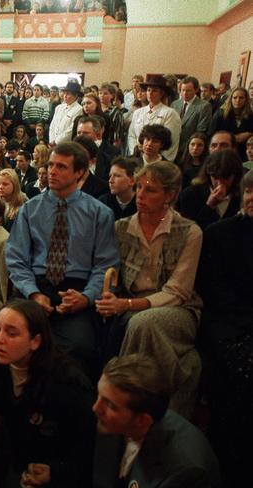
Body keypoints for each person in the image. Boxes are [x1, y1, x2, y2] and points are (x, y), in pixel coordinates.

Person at [97, 161, 203, 417]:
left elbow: (178, 291)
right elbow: (110, 275)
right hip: (130, 302)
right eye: (139, 187)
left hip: (178, 308)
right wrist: (111, 296)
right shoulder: (122, 227)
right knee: (136, 323)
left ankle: (123, 399)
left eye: (151, 190)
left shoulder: (189, 232)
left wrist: (129, 305)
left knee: (142, 322)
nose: (141, 195)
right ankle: (154, 401)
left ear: (170, 195)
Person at [6, 142, 119, 372]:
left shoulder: (99, 213)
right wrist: (33, 292)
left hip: (76, 290)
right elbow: (16, 259)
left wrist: (86, 298)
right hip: (35, 287)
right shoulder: (30, 209)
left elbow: (105, 265)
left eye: (61, 167)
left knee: (79, 348)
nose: (52, 171)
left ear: (80, 173)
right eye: (50, 165)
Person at [0, 300, 96, 487]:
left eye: (11, 333)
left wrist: (55, 472)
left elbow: (84, 452)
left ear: (35, 341)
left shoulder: (69, 383)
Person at [197, 169, 253, 487]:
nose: (252, 198)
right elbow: (215, 292)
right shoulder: (220, 234)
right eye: (248, 192)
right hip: (227, 323)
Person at [93, 354, 221, 488]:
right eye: (99, 395)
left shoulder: (185, 472)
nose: (95, 408)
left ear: (142, 420)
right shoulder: (114, 420)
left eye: (110, 405)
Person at [177, 149, 243, 230]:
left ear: (235, 176)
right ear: (208, 175)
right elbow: (190, 231)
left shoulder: (242, 194)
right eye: (215, 177)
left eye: (225, 178)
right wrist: (209, 206)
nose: (219, 183)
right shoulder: (189, 194)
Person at [127, 74, 182, 161]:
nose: (150, 93)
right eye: (148, 90)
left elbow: (172, 141)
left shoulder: (170, 113)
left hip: (157, 161)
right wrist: (136, 150)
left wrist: (159, 160)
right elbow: (131, 135)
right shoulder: (138, 112)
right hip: (138, 158)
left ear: (162, 93)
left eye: (154, 91)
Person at [171, 76, 212, 163]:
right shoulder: (175, 104)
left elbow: (201, 130)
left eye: (188, 90)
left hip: (190, 150)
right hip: (172, 148)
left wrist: (188, 147)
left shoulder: (204, 106)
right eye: (183, 90)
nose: (185, 93)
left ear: (196, 90)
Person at [209, 86, 253, 161]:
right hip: (223, 153)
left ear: (246, 100)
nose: (238, 100)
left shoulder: (251, 115)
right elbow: (211, 134)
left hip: (243, 155)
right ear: (230, 99)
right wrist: (234, 138)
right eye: (235, 97)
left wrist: (249, 134)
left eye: (241, 98)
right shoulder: (220, 114)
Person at [49, 80, 84, 145]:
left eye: (68, 94)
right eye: (64, 93)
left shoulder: (79, 109)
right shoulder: (59, 107)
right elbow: (52, 125)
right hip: (53, 142)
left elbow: (71, 129)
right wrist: (52, 140)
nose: (65, 96)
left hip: (67, 143)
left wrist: (57, 141)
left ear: (75, 96)